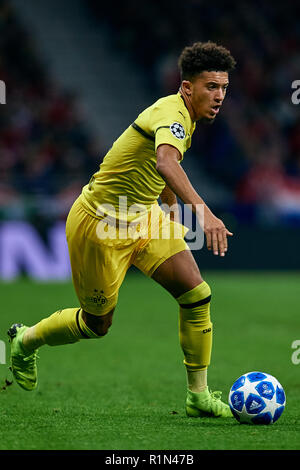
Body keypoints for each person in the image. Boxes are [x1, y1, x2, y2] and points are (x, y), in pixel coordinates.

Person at [8, 41, 236, 418]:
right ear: (187, 88)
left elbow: (156, 162)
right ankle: (26, 341)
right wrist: (204, 214)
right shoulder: (172, 113)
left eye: (224, 87)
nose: (219, 96)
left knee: (196, 294)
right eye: (211, 87)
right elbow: (165, 161)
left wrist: (170, 204)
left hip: (142, 216)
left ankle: (198, 395)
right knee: (98, 324)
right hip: (99, 225)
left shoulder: (185, 118)